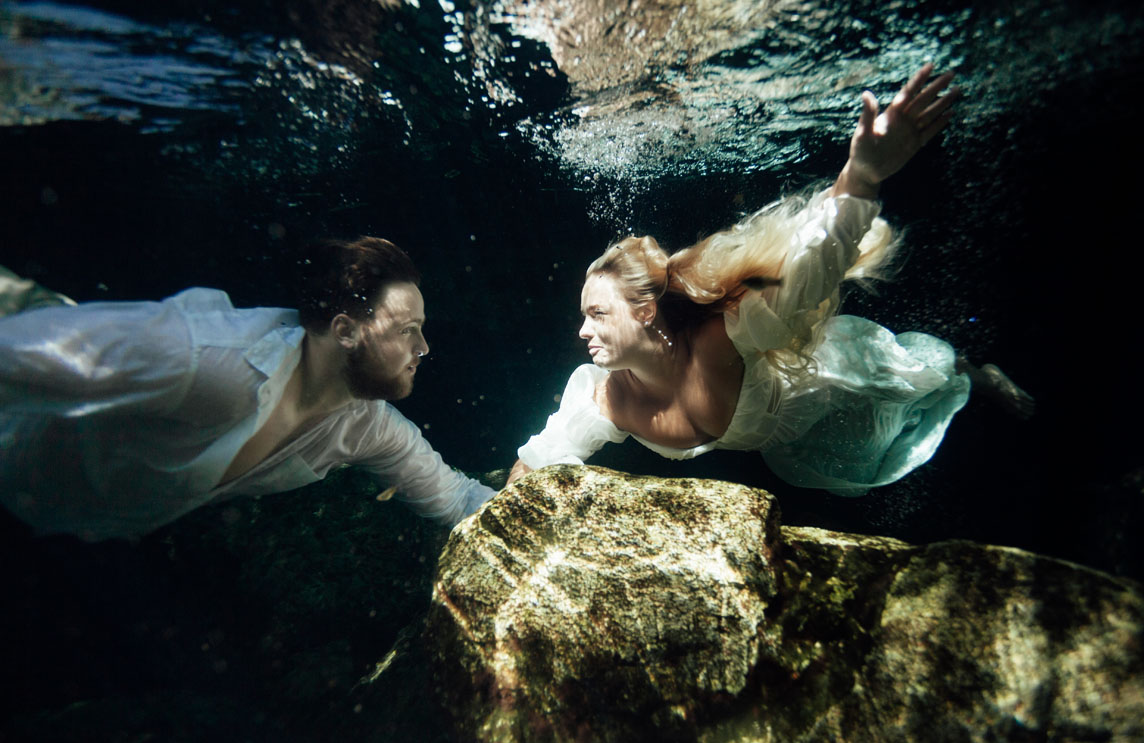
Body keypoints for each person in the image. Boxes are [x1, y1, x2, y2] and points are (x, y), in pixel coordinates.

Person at [509, 65, 1033, 494]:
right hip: (784, 443)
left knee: (917, 374)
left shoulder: (720, 339)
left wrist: (861, 177)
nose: (582, 330)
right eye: (584, 315)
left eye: (597, 313)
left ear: (646, 311)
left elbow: (808, 268)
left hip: (828, 374)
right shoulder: (605, 400)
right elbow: (541, 457)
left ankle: (978, 372)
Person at [0, 237, 495, 540]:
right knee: (34, 328)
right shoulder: (207, 362)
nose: (424, 347)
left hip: (64, 511)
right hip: (17, 440)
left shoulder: (366, 427)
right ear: (345, 331)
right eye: (408, 329)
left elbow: (455, 499)